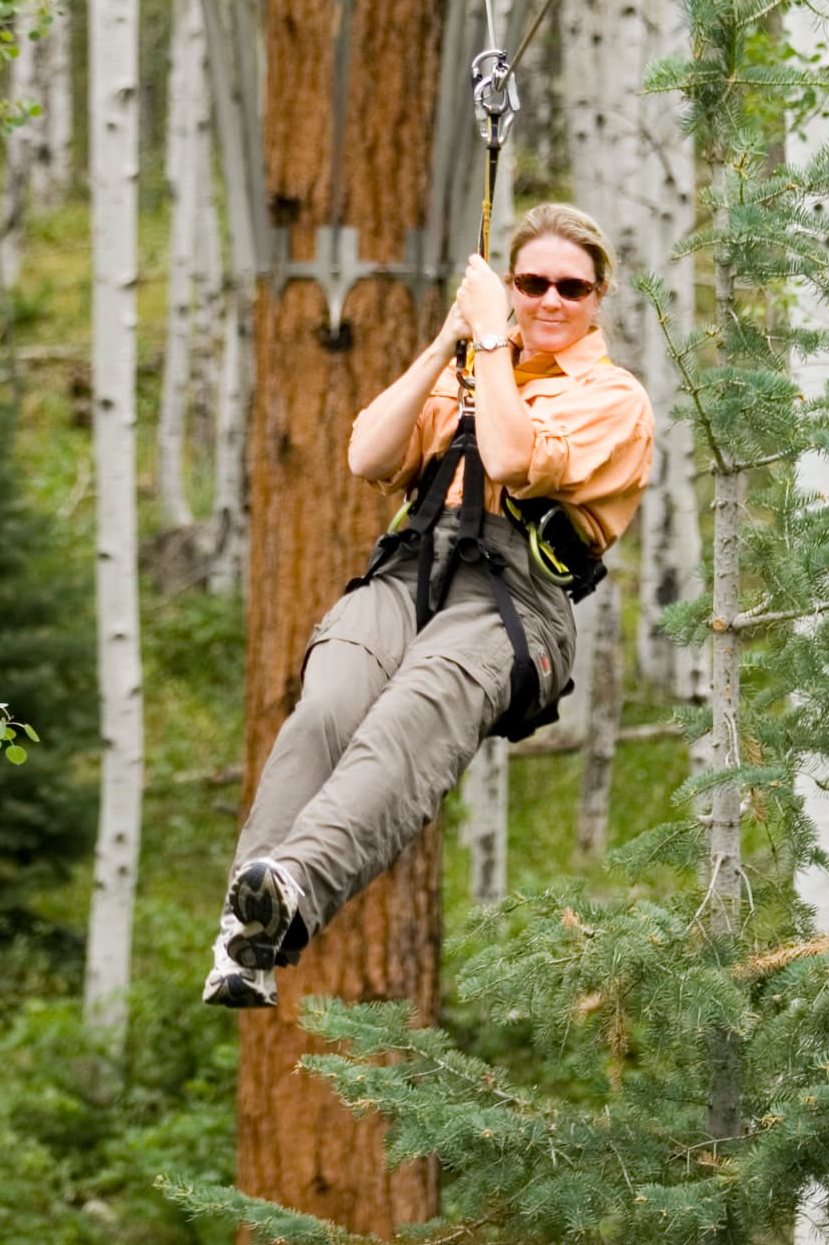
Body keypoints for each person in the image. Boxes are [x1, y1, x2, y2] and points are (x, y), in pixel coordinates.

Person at [204, 203, 654, 1008]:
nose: (550, 301)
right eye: (531, 283)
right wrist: (447, 343)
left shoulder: (612, 397)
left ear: (597, 297)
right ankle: (243, 937)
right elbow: (367, 452)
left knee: (406, 721)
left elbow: (514, 460)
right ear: (510, 287)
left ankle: (294, 889)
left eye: (571, 288)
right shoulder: (469, 365)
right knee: (326, 712)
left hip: (513, 602)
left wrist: (488, 341)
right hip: (413, 570)